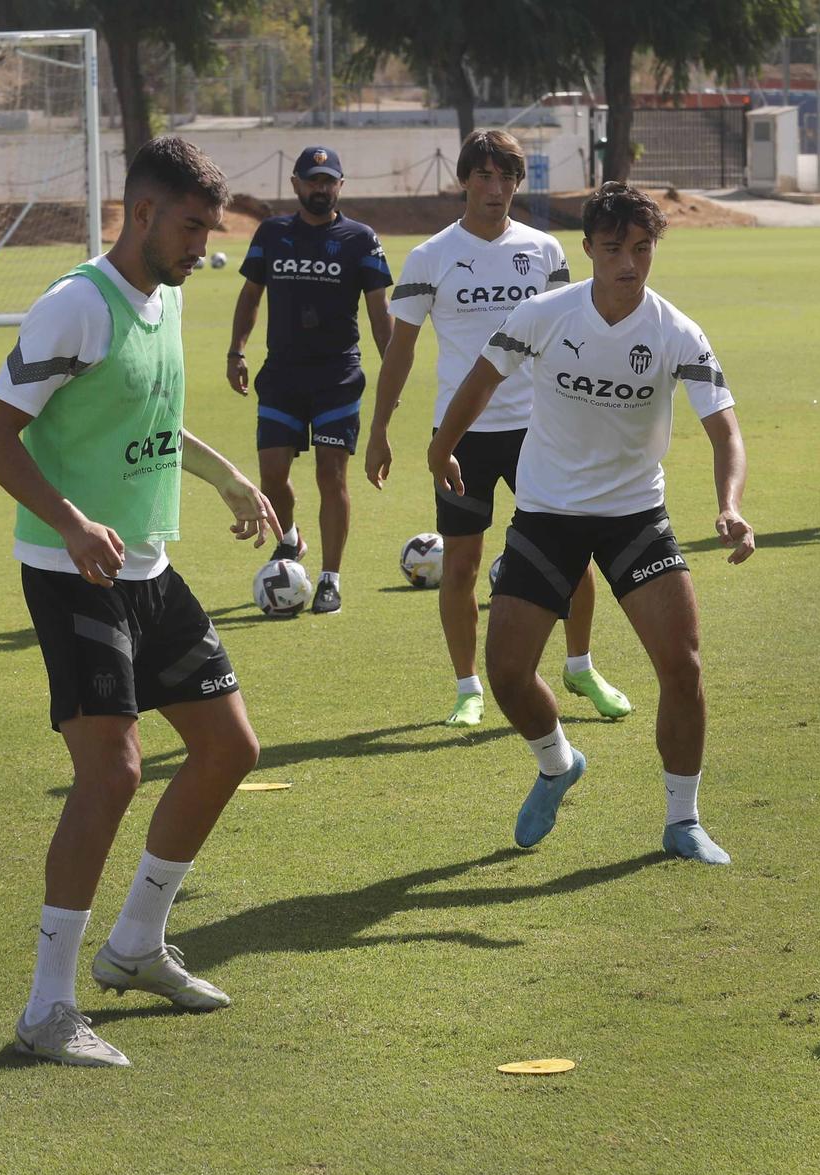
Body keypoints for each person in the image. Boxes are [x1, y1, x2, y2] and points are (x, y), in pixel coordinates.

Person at [0, 136, 278, 1068]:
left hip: (147, 566)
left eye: (209, 230)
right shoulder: (75, 305)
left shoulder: (163, 297)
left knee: (230, 747)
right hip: (72, 572)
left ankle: (136, 944)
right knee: (111, 772)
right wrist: (69, 523)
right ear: (141, 214)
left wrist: (225, 478)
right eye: (190, 227)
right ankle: (46, 1007)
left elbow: (148, 414)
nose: (201, 246)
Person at [428, 182, 754, 864]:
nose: (628, 263)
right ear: (588, 251)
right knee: (509, 675)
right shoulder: (545, 313)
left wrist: (729, 503)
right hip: (548, 515)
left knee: (683, 666)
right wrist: (442, 444)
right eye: (613, 249)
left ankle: (682, 819)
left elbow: (725, 431)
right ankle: (557, 763)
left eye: (641, 248)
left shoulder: (676, 332)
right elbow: (483, 379)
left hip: (635, 515)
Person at [370, 129, 632, 727]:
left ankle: (581, 665)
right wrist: (381, 428)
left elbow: (577, 339)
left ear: (519, 182)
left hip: (542, 430)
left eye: (508, 177)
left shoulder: (545, 251)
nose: (496, 189)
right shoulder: (430, 256)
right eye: (484, 177)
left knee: (576, 558)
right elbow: (401, 351)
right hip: (461, 436)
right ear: (465, 180)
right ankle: (468, 688)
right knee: (460, 565)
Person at [227, 145, 392, 615]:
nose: (320, 188)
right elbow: (250, 295)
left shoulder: (361, 239)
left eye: (329, 181)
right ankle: (292, 538)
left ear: (340, 185)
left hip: (337, 377)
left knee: (330, 474)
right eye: (312, 180)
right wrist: (236, 350)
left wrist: (392, 375)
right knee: (272, 476)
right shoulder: (272, 234)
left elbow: (380, 314)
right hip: (280, 376)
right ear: (296, 184)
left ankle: (329, 578)